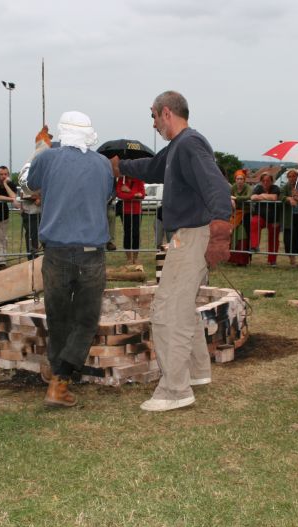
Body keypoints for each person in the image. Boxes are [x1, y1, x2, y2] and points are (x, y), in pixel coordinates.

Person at [112, 90, 232, 412]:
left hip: (192, 237)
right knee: (183, 307)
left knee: (166, 312)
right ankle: (197, 373)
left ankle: (175, 391)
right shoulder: (177, 148)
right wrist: (119, 166)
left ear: (166, 112)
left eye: (153, 116)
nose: (152, 124)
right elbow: (152, 167)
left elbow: (219, 186)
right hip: (189, 236)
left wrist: (220, 232)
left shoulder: (189, 144)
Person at [25, 112, 113, 408]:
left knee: (58, 316)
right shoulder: (102, 163)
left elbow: (28, 184)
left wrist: (40, 147)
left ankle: (57, 374)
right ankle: (60, 380)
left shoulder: (47, 158)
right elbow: (105, 196)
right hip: (90, 252)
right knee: (86, 319)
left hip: (56, 252)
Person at [18, 126, 52, 260]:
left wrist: (42, 198)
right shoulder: (32, 162)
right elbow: (26, 188)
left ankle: (47, 258)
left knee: (46, 237)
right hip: (31, 210)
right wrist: (37, 197)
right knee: (32, 237)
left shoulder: (45, 163)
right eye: (48, 140)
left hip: (43, 211)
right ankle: (32, 259)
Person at [249, 172, 281, 266]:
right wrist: (266, 196)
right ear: (261, 181)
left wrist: (261, 196)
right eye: (263, 181)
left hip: (274, 218)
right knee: (254, 222)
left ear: (272, 181)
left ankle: (272, 260)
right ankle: (254, 246)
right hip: (260, 216)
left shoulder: (275, 188)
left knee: (274, 239)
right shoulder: (258, 188)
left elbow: (274, 197)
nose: (266, 182)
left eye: (268, 180)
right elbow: (252, 197)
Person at [278, 169, 298, 267]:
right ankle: (292, 259)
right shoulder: (285, 187)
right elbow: (280, 196)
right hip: (289, 217)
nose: (292, 178)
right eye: (290, 176)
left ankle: (295, 252)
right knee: (288, 238)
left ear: (297, 177)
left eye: (294, 176)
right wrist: (288, 198)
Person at [115, 175, 145, 265]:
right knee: (127, 233)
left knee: (136, 233)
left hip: (137, 211)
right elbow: (119, 194)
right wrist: (134, 194)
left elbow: (142, 195)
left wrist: (129, 192)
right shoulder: (121, 180)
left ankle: (135, 258)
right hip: (126, 211)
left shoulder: (139, 179)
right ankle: (129, 258)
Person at [228, 169, 252, 266]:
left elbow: (248, 196)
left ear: (244, 180)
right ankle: (232, 258)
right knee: (233, 235)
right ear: (235, 180)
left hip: (245, 214)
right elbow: (228, 195)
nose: (239, 181)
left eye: (241, 179)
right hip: (235, 214)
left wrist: (236, 198)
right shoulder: (233, 187)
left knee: (244, 236)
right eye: (238, 179)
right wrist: (231, 199)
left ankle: (245, 259)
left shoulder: (247, 187)